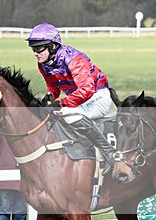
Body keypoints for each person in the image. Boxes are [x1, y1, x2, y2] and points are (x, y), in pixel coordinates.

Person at [26, 23, 117, 168]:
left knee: (68, 114)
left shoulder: (74, 60)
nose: (35, 53)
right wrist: (49, 96)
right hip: (79, 100)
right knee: (58, 114)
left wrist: (61, 103)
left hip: (97, 97)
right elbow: (53, 86)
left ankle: (108, 152)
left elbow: (86, 90)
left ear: (53, 46)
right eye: (33, 49)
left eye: (39, 48)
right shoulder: (43, 63)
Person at [0, 124, 28, 220]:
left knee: (21, 209)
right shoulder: (4, 131)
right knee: (5, 207)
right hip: (6, 178)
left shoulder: (26, 131)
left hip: (23, 178)